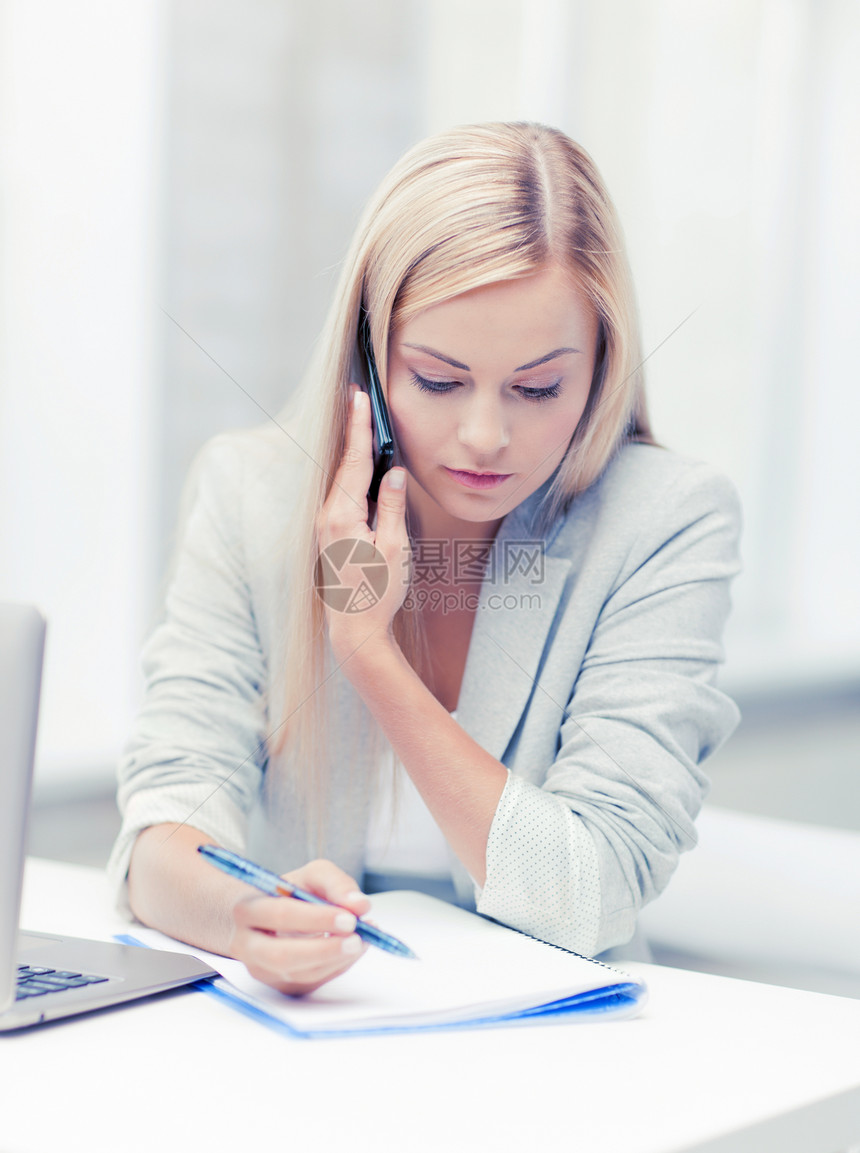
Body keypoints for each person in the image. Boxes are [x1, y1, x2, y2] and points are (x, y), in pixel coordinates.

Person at [109, 121, 741, 996]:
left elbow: (590, 890)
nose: (485, 436)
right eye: (439, 381)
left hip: (559, 1052)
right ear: (367, 361)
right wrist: (243, 916)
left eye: (538, 387)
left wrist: (369, 654)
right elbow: (161, 832)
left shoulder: (666, 520)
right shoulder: (248, 494)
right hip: (313, 1042)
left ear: (601, 369)